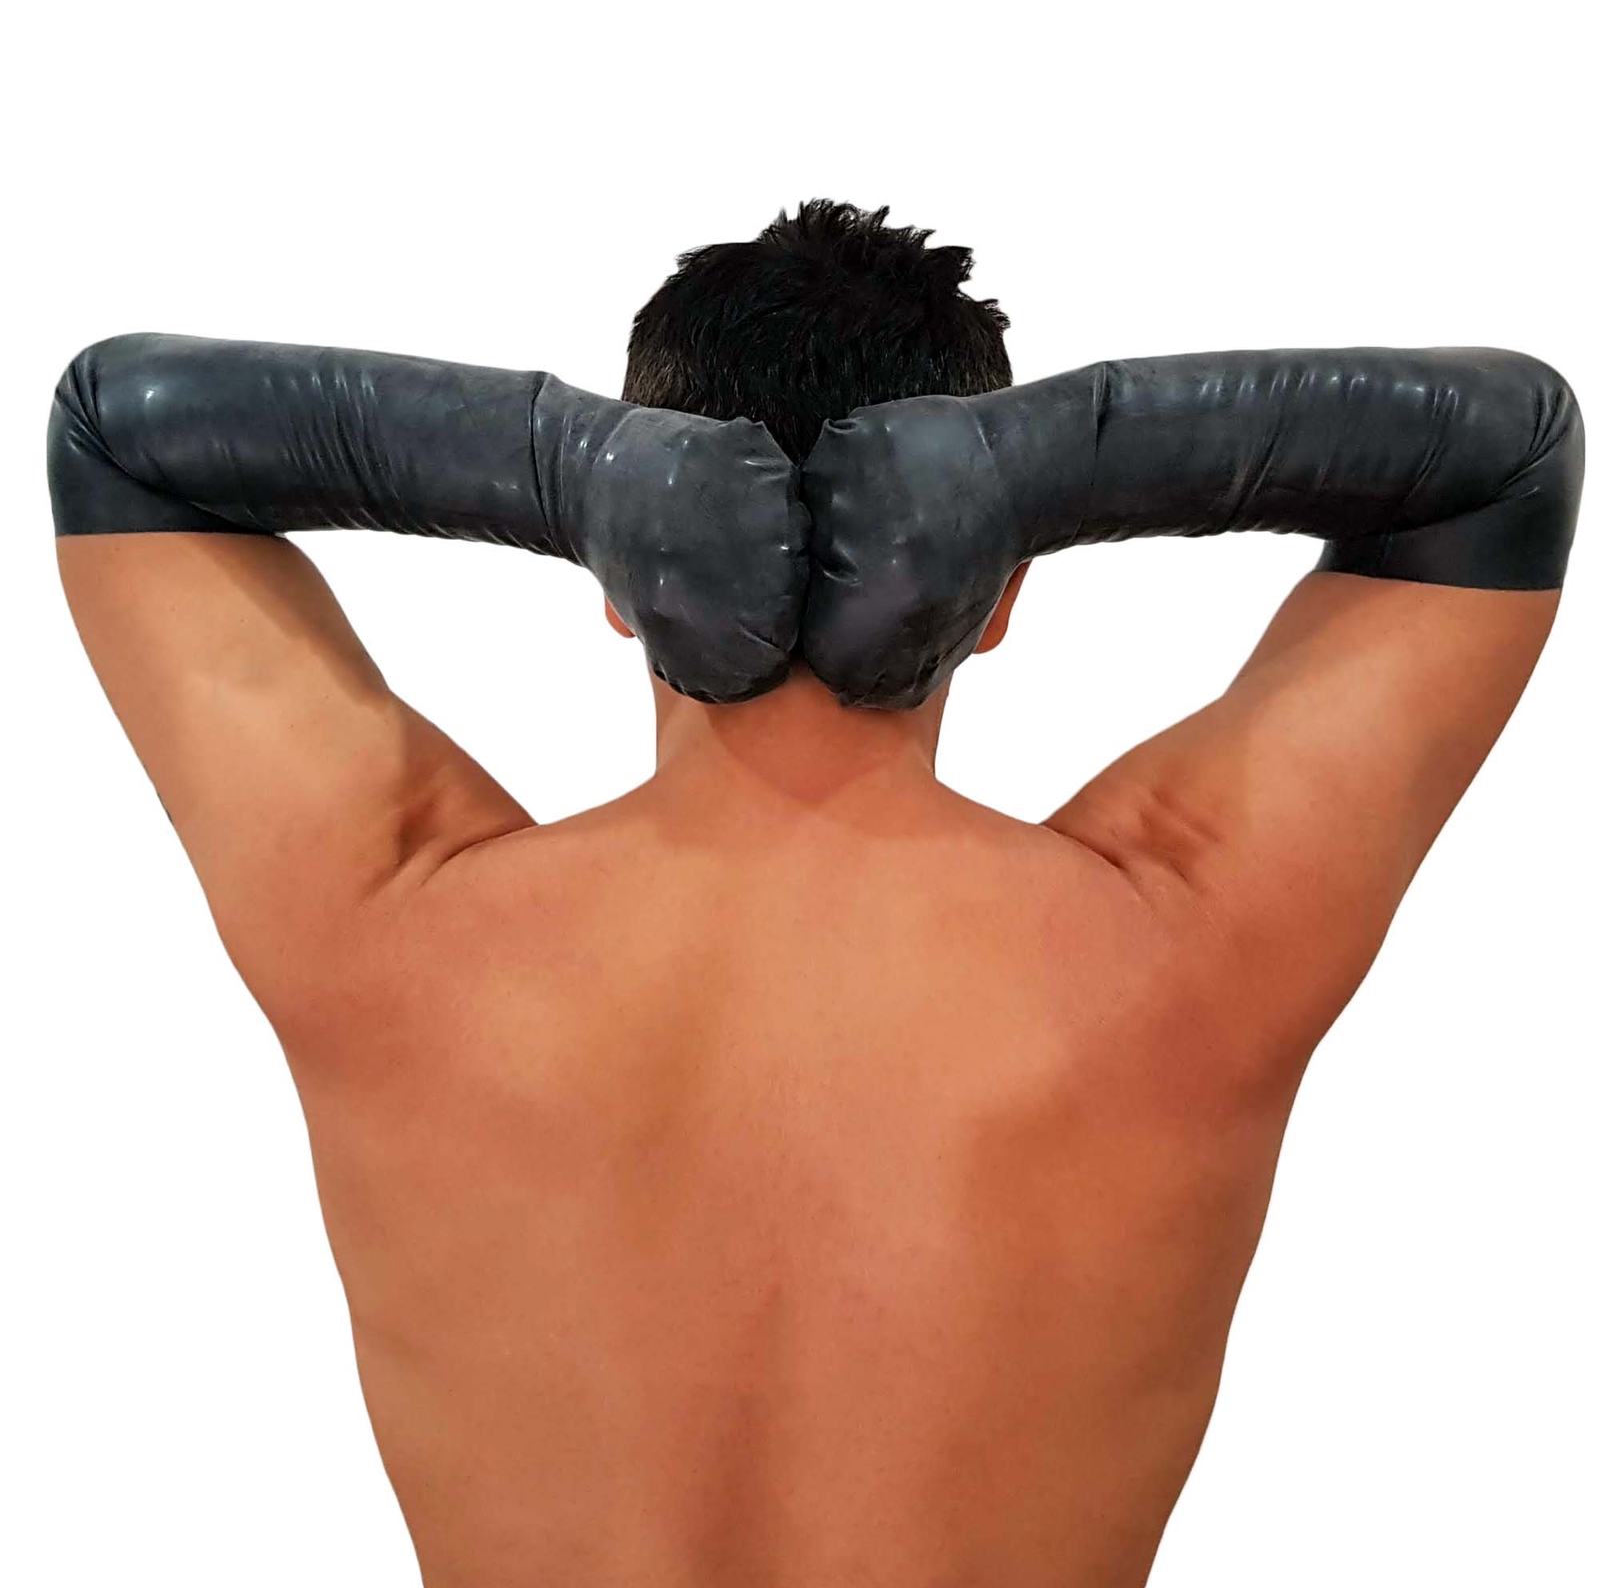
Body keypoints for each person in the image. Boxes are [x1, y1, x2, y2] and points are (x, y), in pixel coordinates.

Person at [49, 200, 1582, 1588]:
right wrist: (1025, 470)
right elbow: (1505, 452)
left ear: (612, 575)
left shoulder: (399, 924)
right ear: (1003, 588)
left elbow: (119, 433)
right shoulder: (1183, 940)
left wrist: (573, 467)